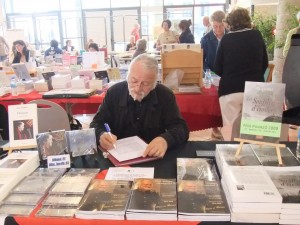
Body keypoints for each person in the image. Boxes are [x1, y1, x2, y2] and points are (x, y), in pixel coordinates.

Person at [89, 54, 189, 158]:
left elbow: (181, 128)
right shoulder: (114, 93)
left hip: (152, 156)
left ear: (154, 84)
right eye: (134, 81)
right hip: (118, 158)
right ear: (128, 77)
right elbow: (97, 123)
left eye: (145, 84)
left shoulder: (165, 95)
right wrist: (101, 135)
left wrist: (165, 140)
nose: (137, 88)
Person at [214, 7, 268, 141]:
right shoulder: (257, 35)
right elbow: (265, 63)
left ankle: (232, 158)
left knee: (231, 131)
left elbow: (217, 67)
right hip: (254, 88)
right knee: (253, 133)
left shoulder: (226, 39)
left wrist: (229, 74)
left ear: (230, 23)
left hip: (230, 89)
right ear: (248, 21)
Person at [201, 10, 227, 139]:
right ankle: (215, 127)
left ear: (225, 24)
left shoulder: (230, 36)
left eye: (220, 26)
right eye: (215, 26)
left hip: (227, 73)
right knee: (213, 101)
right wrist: (209, 74)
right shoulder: (206, 39)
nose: (217, 29)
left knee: (226, 101)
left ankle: (226, 127)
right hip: (212, 73)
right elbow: (201, 60)